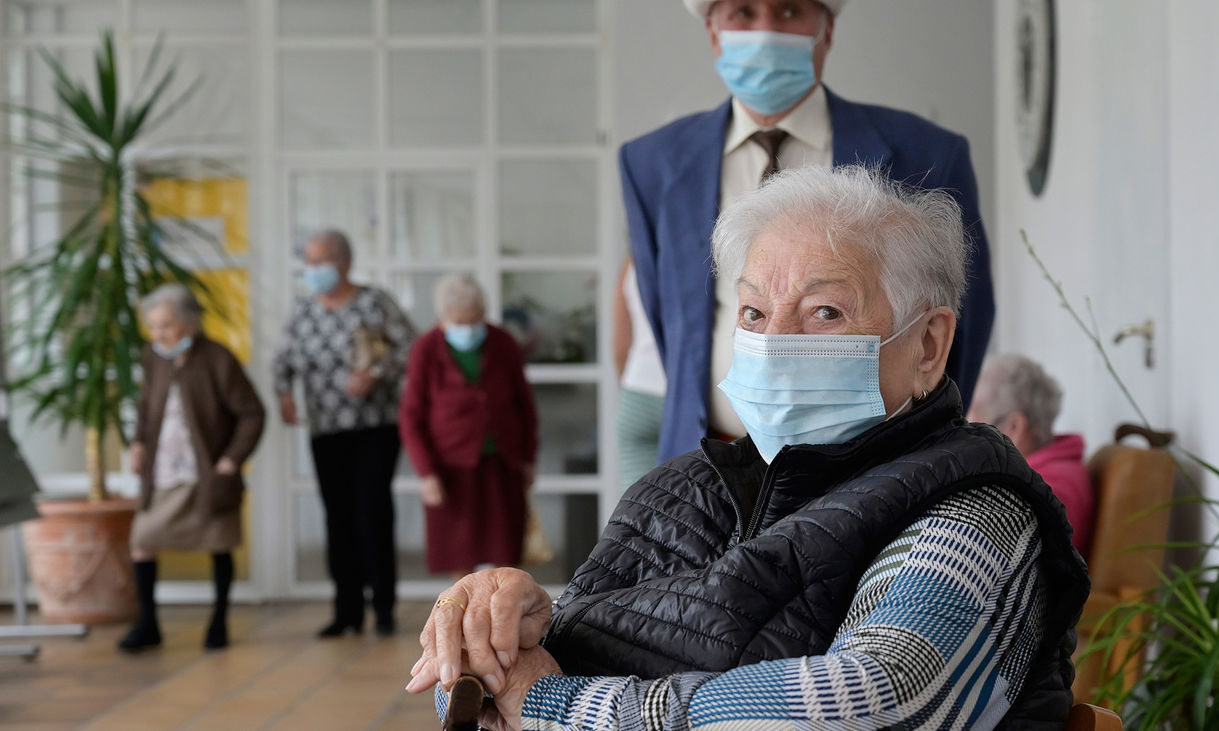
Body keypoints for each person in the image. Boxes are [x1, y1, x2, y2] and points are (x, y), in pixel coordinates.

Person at [405, 167, 1089, 730]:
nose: (776, 340)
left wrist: (555, 707)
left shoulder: (976, 506)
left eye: (826, 312)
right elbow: (495, 693)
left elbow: (875, 703)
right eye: (756, 313)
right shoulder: (679, 489)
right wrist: (501, 623)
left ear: (929, 346)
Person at [625, 0, 996, 465]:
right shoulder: (651, 165)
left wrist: (924, 441)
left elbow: (961, 318)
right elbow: (668, 322)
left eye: (788, 11)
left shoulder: (925, 153)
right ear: (713, 32)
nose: (765, 33)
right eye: (742, 13)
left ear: (828, 30)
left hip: (874, 461)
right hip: (707, 456)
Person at [272, 229, 416, 637]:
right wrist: (283, 393)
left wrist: (376, 373)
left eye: (320, 261)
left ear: (345, 263)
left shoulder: (374, 302)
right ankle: (346, 610)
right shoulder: (302, 311)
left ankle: (383, 607)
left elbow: (412, 347)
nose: (312, 270)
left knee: (371, 512)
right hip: (326, 428)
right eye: (309, 262)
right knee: (338, 517)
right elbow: (282, 358)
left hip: (374, 426)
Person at [120, 284, 265, 652]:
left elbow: (252, 413)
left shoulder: (218, 359)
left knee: (218, 542)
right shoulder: (154, 357)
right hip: (164, 473)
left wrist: (232, 459)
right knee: (142, 540)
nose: (158, 335)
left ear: (189, 323)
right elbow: (144, 406)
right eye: (153, 327)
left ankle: (218, 622)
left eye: (166, 326)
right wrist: (138, 443)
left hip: (207, 476)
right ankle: (148, 623)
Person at [398, 274, 538, 578]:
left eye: (474, 319)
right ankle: (464, 624)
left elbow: (524, 406)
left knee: (506, 554)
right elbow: (411, 417)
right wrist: (426, 473)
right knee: (460, 554)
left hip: (502, 462)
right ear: (443, 318)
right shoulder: (426, 349)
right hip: (450, 469)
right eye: (459, 321)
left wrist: (528, 457)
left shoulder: (502, 343)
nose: (468, 328)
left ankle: (505, 621)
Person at [969, 354, 1095, 555]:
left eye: (974, 426)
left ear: (1014, 427)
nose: (967, 440)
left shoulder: (1046, 489)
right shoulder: (1043, 474)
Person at [612, 258, 667, 490]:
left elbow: (620, 349)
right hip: (686, 397)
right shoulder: (699, 256)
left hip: (638, 392)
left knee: (636, 507)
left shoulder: (632, 263)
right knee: (692, 508)